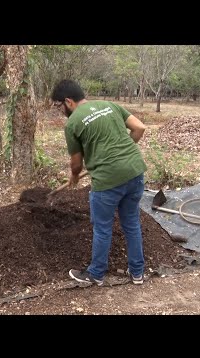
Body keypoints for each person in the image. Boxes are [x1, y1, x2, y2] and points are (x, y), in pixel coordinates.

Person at [51, 79, 147, 286]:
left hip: (107, 180)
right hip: (135, 172)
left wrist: (75, 176)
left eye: (58, 106)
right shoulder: (109, 105)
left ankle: (96, 274)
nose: (59, 111)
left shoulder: (73, 122)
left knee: (102, 228)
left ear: (68, 101)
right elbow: (139, 128)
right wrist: (122, 153)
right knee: (131, 223)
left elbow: (76, 163)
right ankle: (137, 273)